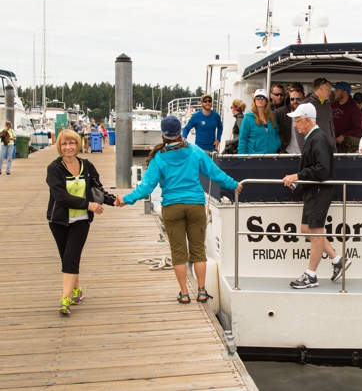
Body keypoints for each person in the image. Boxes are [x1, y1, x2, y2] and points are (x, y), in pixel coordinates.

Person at [118, 116, 243, 302]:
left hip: (172, 206)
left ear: (163, 134)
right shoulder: (194, 151)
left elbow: (146, 188)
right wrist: (234, 185)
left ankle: (184, 293)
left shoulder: (158, 157)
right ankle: (201, 291)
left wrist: (125, 199)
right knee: (198, 251)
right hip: (195, 205)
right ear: (180, 132)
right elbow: (214, 173)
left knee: (178, 253)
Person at [47, 129, 118, 314]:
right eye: (64, 144)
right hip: (59, 220)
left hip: (81, 220)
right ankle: (76, 290)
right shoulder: (54, 168)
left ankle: (65, 299)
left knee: (71, 257)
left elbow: (97, 190)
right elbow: (60, 197)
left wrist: (114, 200)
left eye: (71, 143)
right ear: (59, 147)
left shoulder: (87, 166)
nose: (68, 147)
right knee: (67, 258)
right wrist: (89, 205)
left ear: (78, 144)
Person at [282, 103, 351, 289]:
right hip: (314, 190)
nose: (295, 125)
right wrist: (300, 179)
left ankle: (311, 275)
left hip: (319, 190)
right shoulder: (315, 137)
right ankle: (337, 260)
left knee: (316, 232)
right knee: (306, 229)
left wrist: (297, 176)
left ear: (307, 120)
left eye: (297, 121)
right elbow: (318, 169)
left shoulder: (318, 138)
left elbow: (322, 170)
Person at [297, 78, 336, 151]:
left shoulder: (327, 106)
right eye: (328, 89)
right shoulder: (305, 105)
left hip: (328, 149)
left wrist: (334, 148)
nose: (330, 92)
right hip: (313, 150)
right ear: (321, 88)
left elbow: (331, 128)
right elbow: (298, 130)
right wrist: (304, 151)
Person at [238, 89, 281, 154]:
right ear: (254, 101)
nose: (260, 100)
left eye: (263, 98)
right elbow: (243, 139)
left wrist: (277, 144)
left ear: (266, 101)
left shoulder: (272, 117)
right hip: (253, 157)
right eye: (257, 98)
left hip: (271, 156)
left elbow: (276, 133)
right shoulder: (248, 118)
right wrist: (242, 158)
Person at [330, 81, 362, 152]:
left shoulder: (355, 110)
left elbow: (358, 130)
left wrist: (344, 135)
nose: (334, 92)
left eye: (337, 90)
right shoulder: (332, 106)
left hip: (344, 148)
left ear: (344, 92)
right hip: (330, 144)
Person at [275, 87, 305, 153]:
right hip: (287, 153)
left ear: (303, 99)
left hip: (305, 153)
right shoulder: (280, 113)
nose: (295, 101)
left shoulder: (309, 113)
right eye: (292, 99)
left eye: (298, 99)